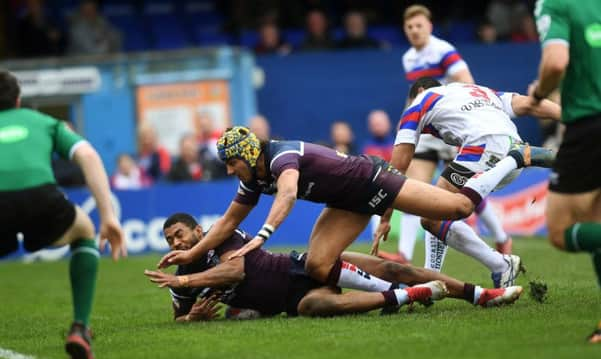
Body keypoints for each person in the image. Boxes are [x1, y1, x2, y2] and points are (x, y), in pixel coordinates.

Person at [157, 125, 540, 293]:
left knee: (456, 207)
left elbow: (288, 194)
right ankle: (396, 293)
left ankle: (513, 158)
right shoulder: (251, 177)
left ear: (246, 154)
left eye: (230, 162)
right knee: (317, 266)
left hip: (373, 180)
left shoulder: (280, 156)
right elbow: (227, 221)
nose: (228, 170)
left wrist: (262, 236)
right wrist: (191, 253)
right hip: (346, 201)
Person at [146, 213, 522, 321]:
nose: (176, 244)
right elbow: (177, 316)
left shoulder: (221, 234)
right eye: (170, 241)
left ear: (197, 231)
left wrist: (194, 276)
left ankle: (481, 294)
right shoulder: (182, 279)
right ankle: (407, 298)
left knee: (391, 268)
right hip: (295, 300)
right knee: (316, 307)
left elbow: (236, 272)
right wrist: (192, 317)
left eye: (180, 235)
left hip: (302, 267)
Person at [0, 69, 126, 359]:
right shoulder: (44, 122)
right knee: (84, 229)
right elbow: (89, 156)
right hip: (41, 198)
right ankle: (80, 328)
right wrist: (108, 216)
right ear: (18, 100)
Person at [386, 77, 559, 287]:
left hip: (483, 148)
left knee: (433, 211)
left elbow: (397, 167)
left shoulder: (418, 103)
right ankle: (431, 277)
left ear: (420, 90)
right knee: (437, 211)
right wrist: (569, 116)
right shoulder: (478, 91)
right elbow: (527, 103)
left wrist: (385, 217)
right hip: (511, 146)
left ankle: (499, 265)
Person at [400, 4, 512, 267]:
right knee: (414, 187)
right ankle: (404, 256)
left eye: (419, 25)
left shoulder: (443, 51)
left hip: (452, 128)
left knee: (461, 190)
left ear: (429, 26)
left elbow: (467, 82)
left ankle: (501, 237)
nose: (415, 30)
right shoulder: (408, 58)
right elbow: (416, 96)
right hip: (429, 130)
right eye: (409, 27)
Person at [530, 0, 601, 343]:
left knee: (561, 231)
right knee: (596, 222)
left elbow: (556, 62)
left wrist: (540, 92)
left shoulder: (556, 3)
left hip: (590, 125)